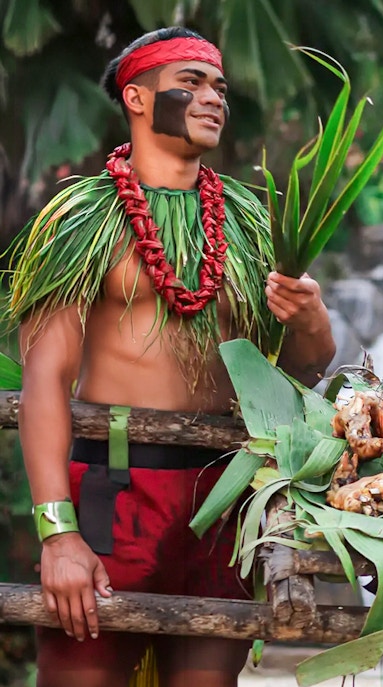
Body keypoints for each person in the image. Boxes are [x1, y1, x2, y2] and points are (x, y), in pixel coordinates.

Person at [5, 28, 336, 687]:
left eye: (218, 84)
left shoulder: (248, 222)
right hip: (112, 488)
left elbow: (299, 372)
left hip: (225, 496)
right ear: (136, 96)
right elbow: (45, 377)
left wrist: (311, 320)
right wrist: (58, 533)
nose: (213, 96)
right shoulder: (86, 216)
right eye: (190, 82)